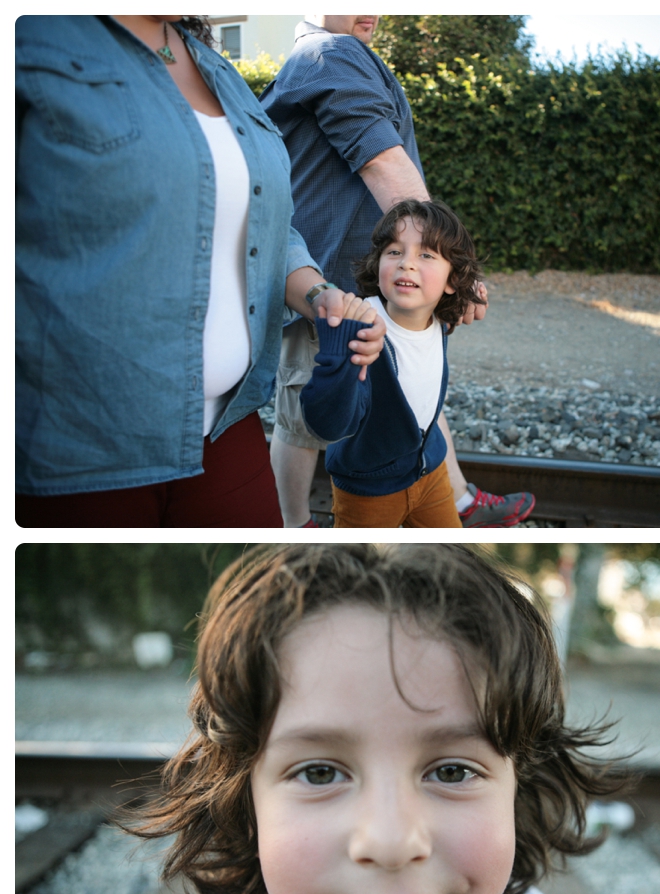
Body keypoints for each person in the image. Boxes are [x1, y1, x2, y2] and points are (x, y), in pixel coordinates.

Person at [126, 543, 625, 894]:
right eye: (319, 773)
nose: (390, 843)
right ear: (243, 795)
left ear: (520, 780)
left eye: (452, 771)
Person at [15, 15, 384, 528]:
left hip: (227, 430)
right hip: (82, 448)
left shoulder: (220, 72)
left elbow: (266, 224)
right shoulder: (31, 36)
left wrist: (318, 292)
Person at [261, 16, 535, 528]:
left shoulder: (342, 54)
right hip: (323, 279)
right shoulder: (327, 54)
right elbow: (383, 161)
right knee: (301, 411)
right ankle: (294, 528)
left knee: (411, 379)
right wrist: (450, 259)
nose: (374, 8)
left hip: (371, 276)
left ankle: (456, 500)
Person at [300, 199, 485, 527]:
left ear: (452, 281)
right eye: (395, 252)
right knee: (359, 573)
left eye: (426, 255)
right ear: (379, 262)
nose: (407, 264)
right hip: (370, 490)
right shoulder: (361, 325)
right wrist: (338, 351)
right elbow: (327, 424)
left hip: (431, 473)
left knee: (452, 560)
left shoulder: (438, 320)